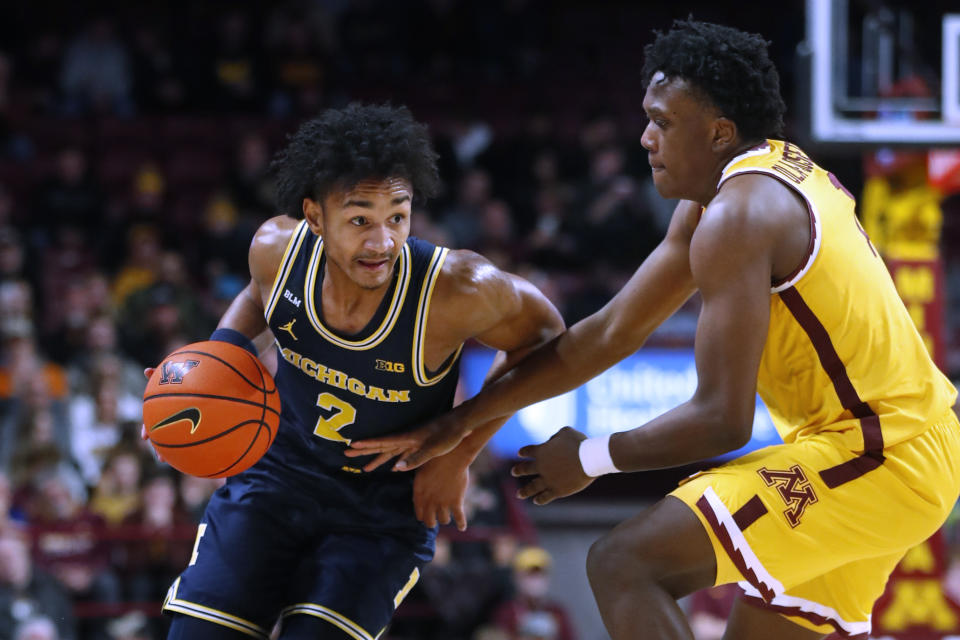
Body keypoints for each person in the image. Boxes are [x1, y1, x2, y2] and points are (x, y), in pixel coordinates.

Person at [346, 20, 960, 640]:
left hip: (881, 452)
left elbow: (723, 420)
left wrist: (588, 458)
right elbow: (609, 333)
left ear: (718, 132)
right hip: (884, 447)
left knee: (624, 562)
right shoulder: (737, 190)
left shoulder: (741, 215)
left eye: (662, 122)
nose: (645, 138)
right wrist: (461, 427)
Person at [152, 103, 564, 639]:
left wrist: (459, 445)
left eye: (397, 215)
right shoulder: (276, 249)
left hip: (381, 511)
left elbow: (546, 337)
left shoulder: (458, 288)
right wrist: (206, 375)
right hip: (276, 478)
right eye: (359, 219)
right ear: (316, 217)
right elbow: (258, 297)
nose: (382, 241)